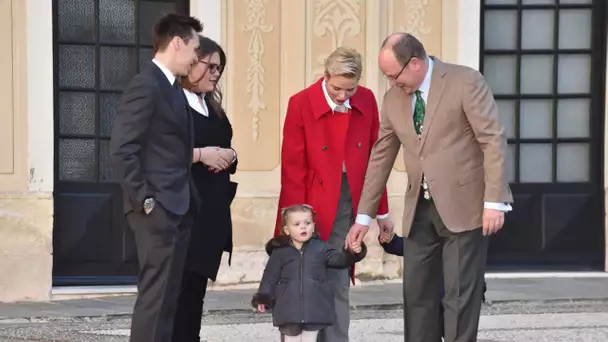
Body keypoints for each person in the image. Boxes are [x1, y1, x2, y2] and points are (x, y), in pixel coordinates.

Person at [346, 33, 513, 342]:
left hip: (466, 208)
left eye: (393, 75)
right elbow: (381, 155)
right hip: (419, 212)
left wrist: (495, 200)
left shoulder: (465, 81)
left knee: (460, 297)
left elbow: (492, 139)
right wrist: (363, 217)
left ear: (414, 63)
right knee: (417, 296)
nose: (391, 83)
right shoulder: (393, 98)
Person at [276, 46, 392, 342]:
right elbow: (292, 166)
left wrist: (382, 213)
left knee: (338, 280)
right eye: (337, 88)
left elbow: (375, 163)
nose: (343, 96)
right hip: (309, 204)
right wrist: (294, 218)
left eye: (349, 89)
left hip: (347, 203)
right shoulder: (301, 103)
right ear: (325, 76)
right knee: (304, 282)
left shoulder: (366, 99)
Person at [109, 13, 203, 342]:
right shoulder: (146, 85)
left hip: (178, 209)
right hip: (158, 212)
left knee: (168, 301)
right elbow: (122, 150)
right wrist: (146, 201)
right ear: (177, 43)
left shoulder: (174, 88)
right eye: (194, 48)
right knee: (155, 299)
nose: (196, 57)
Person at [171, 36, 237, 342]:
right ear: (188, 65)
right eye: (209, 66)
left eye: (219, 68)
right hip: (183, 212)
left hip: (211, 213)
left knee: (194, 296)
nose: (215, 73)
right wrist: (200, 155)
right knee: (177, 296)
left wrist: (231, 156)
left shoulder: (213, 107)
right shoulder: (171, 103)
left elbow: (225, 147)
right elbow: (156, 153)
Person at [252, 204, 367, 342]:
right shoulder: (280, 253)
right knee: (290, 339)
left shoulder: (321, 248)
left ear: (313, 226)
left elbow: (340, 261)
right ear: (287, 230)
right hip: (288, 308)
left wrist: (352, 252)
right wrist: (264, 297)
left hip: (315, 307)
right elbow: (270, 277)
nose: (303, 227)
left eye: (307, 223)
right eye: (297, 224)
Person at [377, 229, 488, 339]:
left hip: (459, 294)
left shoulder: (465, 231)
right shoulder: (429, 230)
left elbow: (473, 264)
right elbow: (412, 248)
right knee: (431, 332)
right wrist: (391, 240)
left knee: (458, 332)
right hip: (434, 296)